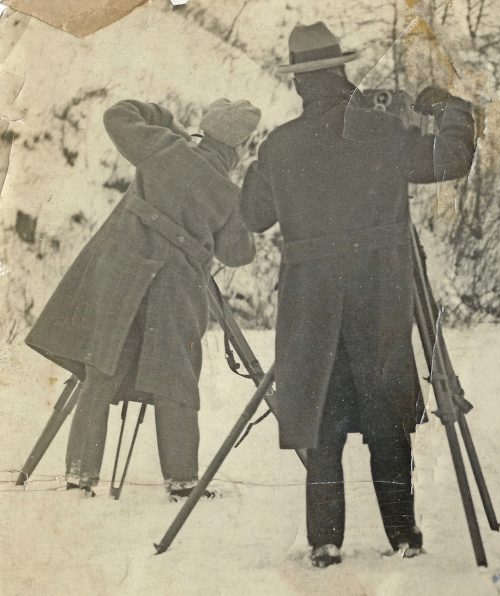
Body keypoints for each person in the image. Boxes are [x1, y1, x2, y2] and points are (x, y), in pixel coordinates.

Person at [239, 22, 476, 568]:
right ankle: (404, 536)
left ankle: (325, 541)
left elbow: (253, 216)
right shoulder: (380, 133)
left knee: (322, 410)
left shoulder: (281, 145)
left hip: (310, 302)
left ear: (300, 84)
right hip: (381, 291)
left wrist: (260, 163)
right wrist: (452, 109)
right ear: (341, 73)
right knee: (385, 408)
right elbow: (452, 160)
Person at [25, 98, 260, 498]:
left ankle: (80, 477)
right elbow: (239, 254)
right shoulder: (228, 193)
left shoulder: (165, 148)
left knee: (101, 370)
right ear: (236, 149)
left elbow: (117, 114)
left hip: (123, 276)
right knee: (175, 381)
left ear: (204, 130)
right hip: (177, 289)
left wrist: (168, 124)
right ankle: (182, 482)